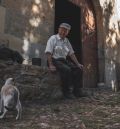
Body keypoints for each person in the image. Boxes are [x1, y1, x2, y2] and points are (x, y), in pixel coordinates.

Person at [45, 23, 84, 99]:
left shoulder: (66, 41)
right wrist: (51, 65)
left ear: (67, 32)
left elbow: (71, 53)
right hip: (54, 60)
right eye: (62, 30)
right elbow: (48, 52)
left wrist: (78, 64)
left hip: (63, 61)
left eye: (66, 31)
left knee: (78, 69)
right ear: (59, 29)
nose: (63, 32)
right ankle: (66, 92)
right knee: (67, 70)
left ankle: (77, 91)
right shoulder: (53, 38)